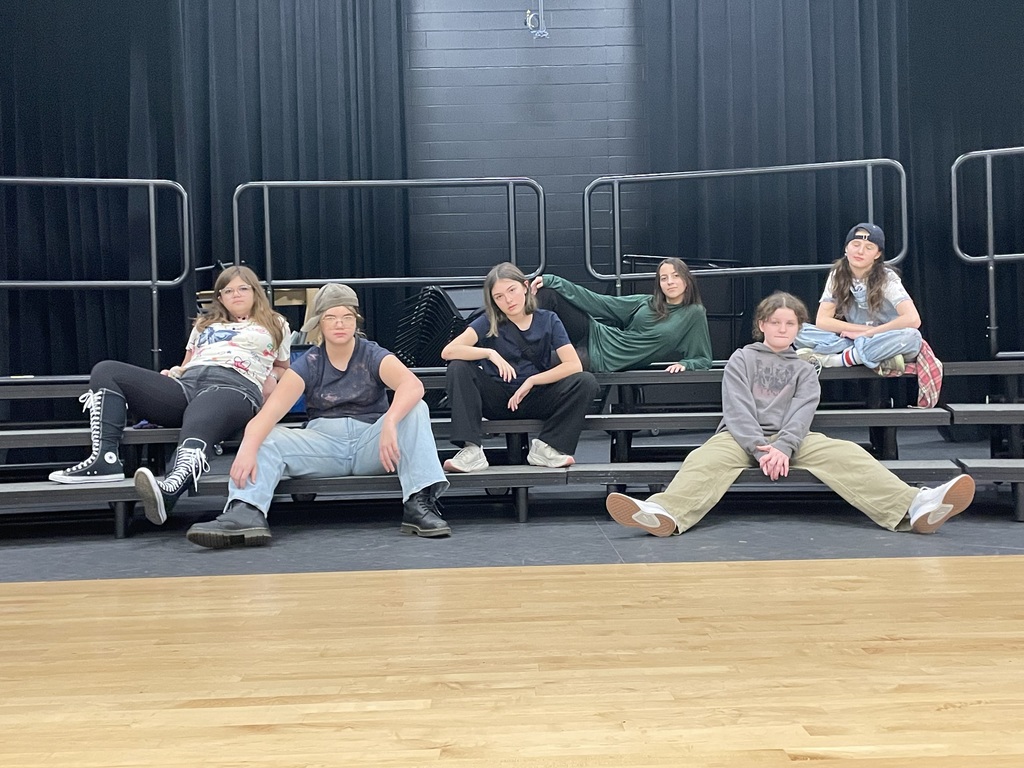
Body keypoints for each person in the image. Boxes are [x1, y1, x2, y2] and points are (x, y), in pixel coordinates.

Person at [606, 291, 975, 537]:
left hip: (792, 441)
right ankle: (662, 512)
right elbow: (737, 407)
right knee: (702, 459)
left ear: (800, 329)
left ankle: (916, 504)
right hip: (739, 438)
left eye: (790, 324)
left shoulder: (805, 367)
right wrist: (758, 447)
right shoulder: (742, 358)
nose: (782, 329)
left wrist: (783, 446)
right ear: (762, 325)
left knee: (848, 454)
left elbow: (802, 412)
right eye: (775, 323)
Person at [185, 283, 450, 548]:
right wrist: (248, 446)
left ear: (355, 321)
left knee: (416, 408)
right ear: (319, 323)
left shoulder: (371, 353)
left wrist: (391, 421)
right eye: (330, 318)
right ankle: (245, 511)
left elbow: (413, 385)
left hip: (373, 443)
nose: (339, 324)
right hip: (324, 445)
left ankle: (418, 504)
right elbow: (270, 412)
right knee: (266, 436)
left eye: (346, 317)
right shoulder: (309, 362)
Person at [50, 266, 291, 525]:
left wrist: (272, 380)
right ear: (219, 298)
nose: (236, 294)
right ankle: (105, 460)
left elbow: (282, 368)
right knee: (107, 370)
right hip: (188, 383)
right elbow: (188, 361)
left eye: (243, 288)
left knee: (204, 410)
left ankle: (170, 490)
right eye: (228, 290)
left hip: (234, 386)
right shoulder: (205, 325)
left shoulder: (275, 324)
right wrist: (173, 372)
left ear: (256, 292)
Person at [440, 262, 600, 472]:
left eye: (512, 290)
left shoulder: (548, 319)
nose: (508, 300)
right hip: (497, 399)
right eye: (499, 297)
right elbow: (449, 351)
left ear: (525, 286)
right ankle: (472, 450)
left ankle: (547, 447)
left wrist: (533, 380)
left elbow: (573, 365)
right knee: (458, 367)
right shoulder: (488, 321)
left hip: (535, 396)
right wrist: (489, 353)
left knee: (586, 381)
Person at [528, 257, 713, 372]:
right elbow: (600, 303)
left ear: (687, 281)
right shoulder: (645, 302)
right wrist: (553, 280)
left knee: (539, 362)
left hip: (602, 358)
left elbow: (703, 358)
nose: (670, 282)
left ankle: (521, 357)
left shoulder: (693, 313)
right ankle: (517, 340)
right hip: (594, 332)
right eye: (664, 278)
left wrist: (687, 365)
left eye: (676, 276)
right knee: (548, 292)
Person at [794, 223, 922, 375]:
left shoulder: (887, 277)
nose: (860, 251)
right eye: (855, 244)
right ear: (846, 248)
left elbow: (913, 319)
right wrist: (863, 332)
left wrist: (869, 334)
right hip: (854, 338)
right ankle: (870, 355)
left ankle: (835, 360)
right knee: (797, 330)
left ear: (877, 254)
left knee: (912, 337)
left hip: (887, 337)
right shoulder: (837, 275)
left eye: (869, 247)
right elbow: (822, 321)